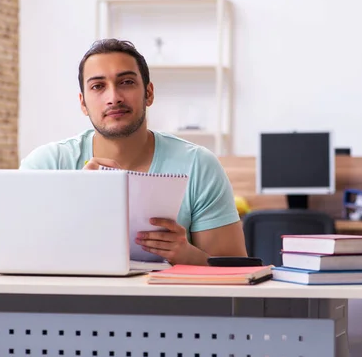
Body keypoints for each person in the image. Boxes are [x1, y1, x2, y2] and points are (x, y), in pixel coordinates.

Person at [18, 38, 248, 265]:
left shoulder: (198, 165)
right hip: (73, 301)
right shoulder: (47, 164)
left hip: (164, 302)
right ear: (83, 103)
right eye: (98, 86)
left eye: (126, 82)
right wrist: (75, 200)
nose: (114, 97)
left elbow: (237, 270)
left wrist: (187, 255)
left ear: (148, 93)